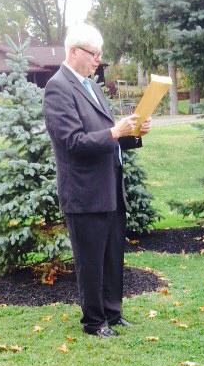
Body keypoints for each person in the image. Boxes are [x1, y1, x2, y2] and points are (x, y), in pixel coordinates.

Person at [43, 23, 151, 338]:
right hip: (84, 192)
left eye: (100, 54)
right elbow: (72, 143)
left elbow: (108, 136)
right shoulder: (58, 87)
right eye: (93, 53)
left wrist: (132, 133)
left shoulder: (91, 85)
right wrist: (115, 131)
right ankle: (94, 322)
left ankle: (113, 314)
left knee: (112, 256)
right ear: (74, 51)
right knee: (91, 262)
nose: (98, 60)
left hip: (109, 188)